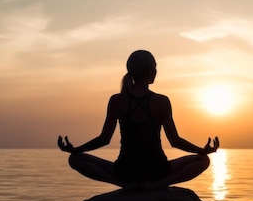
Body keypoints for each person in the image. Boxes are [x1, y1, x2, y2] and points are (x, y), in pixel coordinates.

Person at [58, 49, 219, 190]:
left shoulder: (117, 100)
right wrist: (202, 151)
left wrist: (75, 150)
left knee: (75, 159)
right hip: (158, 170)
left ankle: (124, 185)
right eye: (155, 67)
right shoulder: (161, 101)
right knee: (203, 161)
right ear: (150, 70)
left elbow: (104, 139)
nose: (156, 71)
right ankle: (157, 185)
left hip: (125, 171)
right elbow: (175, 141)